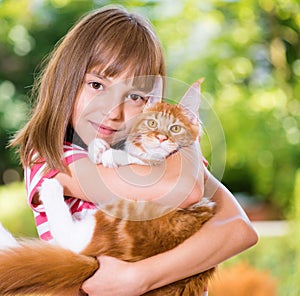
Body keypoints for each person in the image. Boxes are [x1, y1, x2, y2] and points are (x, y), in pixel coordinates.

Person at [10, 6, 258, 296]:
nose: (112, 112)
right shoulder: (51, 159)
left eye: (134, 96)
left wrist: (140, 277)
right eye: (96, 84)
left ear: (151, 102)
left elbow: (240, 230)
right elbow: (187, 191)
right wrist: (184, 141)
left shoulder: (158, 152)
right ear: (66, 80)